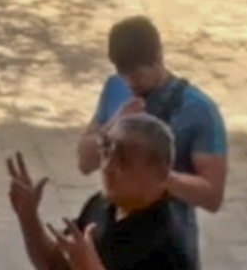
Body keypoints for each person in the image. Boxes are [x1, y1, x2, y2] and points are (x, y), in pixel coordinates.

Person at [75, 17, 225, 264]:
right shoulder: (115, 89)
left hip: (167, 247)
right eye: (123, 73)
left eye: (137, 73)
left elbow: (212, 195)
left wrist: (154, 174)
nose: (130, 82)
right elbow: (84, 161)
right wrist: (113, 126)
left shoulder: (199, 110)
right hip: (114, 236)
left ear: (158, 57)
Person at [8, 118, 193, 270]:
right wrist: (28, 217)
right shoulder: (100, 205)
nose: (107, 167)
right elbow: (53, 265)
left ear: (160, 174)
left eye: (122, 160)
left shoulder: (169, 249)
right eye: (106, 152)